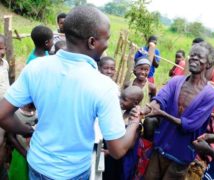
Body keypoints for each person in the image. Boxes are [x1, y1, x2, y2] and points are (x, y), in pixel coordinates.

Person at [0, 6, 141, 180]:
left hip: (37, 165)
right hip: (72, 173)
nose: (107, 44)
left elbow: (2, 115)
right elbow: (118, 149)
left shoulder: (36, 67)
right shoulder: (105, 86)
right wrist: (135, 123)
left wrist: (29, 131)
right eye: (107, 39)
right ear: (91, 42)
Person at [142, 42, 214, 179]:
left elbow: (190, 125)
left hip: (181, 153)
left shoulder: (211, 95)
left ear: (208, 64)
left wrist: (162, 114)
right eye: (192, 55)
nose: (194, 58)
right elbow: (161, 99)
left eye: (199, 57)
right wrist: (145, 110)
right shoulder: (176, 81)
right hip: (160, 145)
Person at [103, 86, 143, 180]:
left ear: (135, 103)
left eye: (124, 99)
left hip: (122, 159)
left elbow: (130, 145)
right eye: (120, 97)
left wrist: (109, 152)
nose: (120, 101)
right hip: (114, 154)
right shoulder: (126, 112)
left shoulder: (135, 119)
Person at [8, 104, 37, 180]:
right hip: (20, 152)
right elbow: (11, 137)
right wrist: (24, 153)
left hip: (34, 153)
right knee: (20, 175)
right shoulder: (15, 114)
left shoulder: (37, 113)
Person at [0, 34, 9, 180]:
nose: (0, 52)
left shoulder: (5, 64)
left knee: (5, 141)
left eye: (1, 48)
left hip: (6, 109)